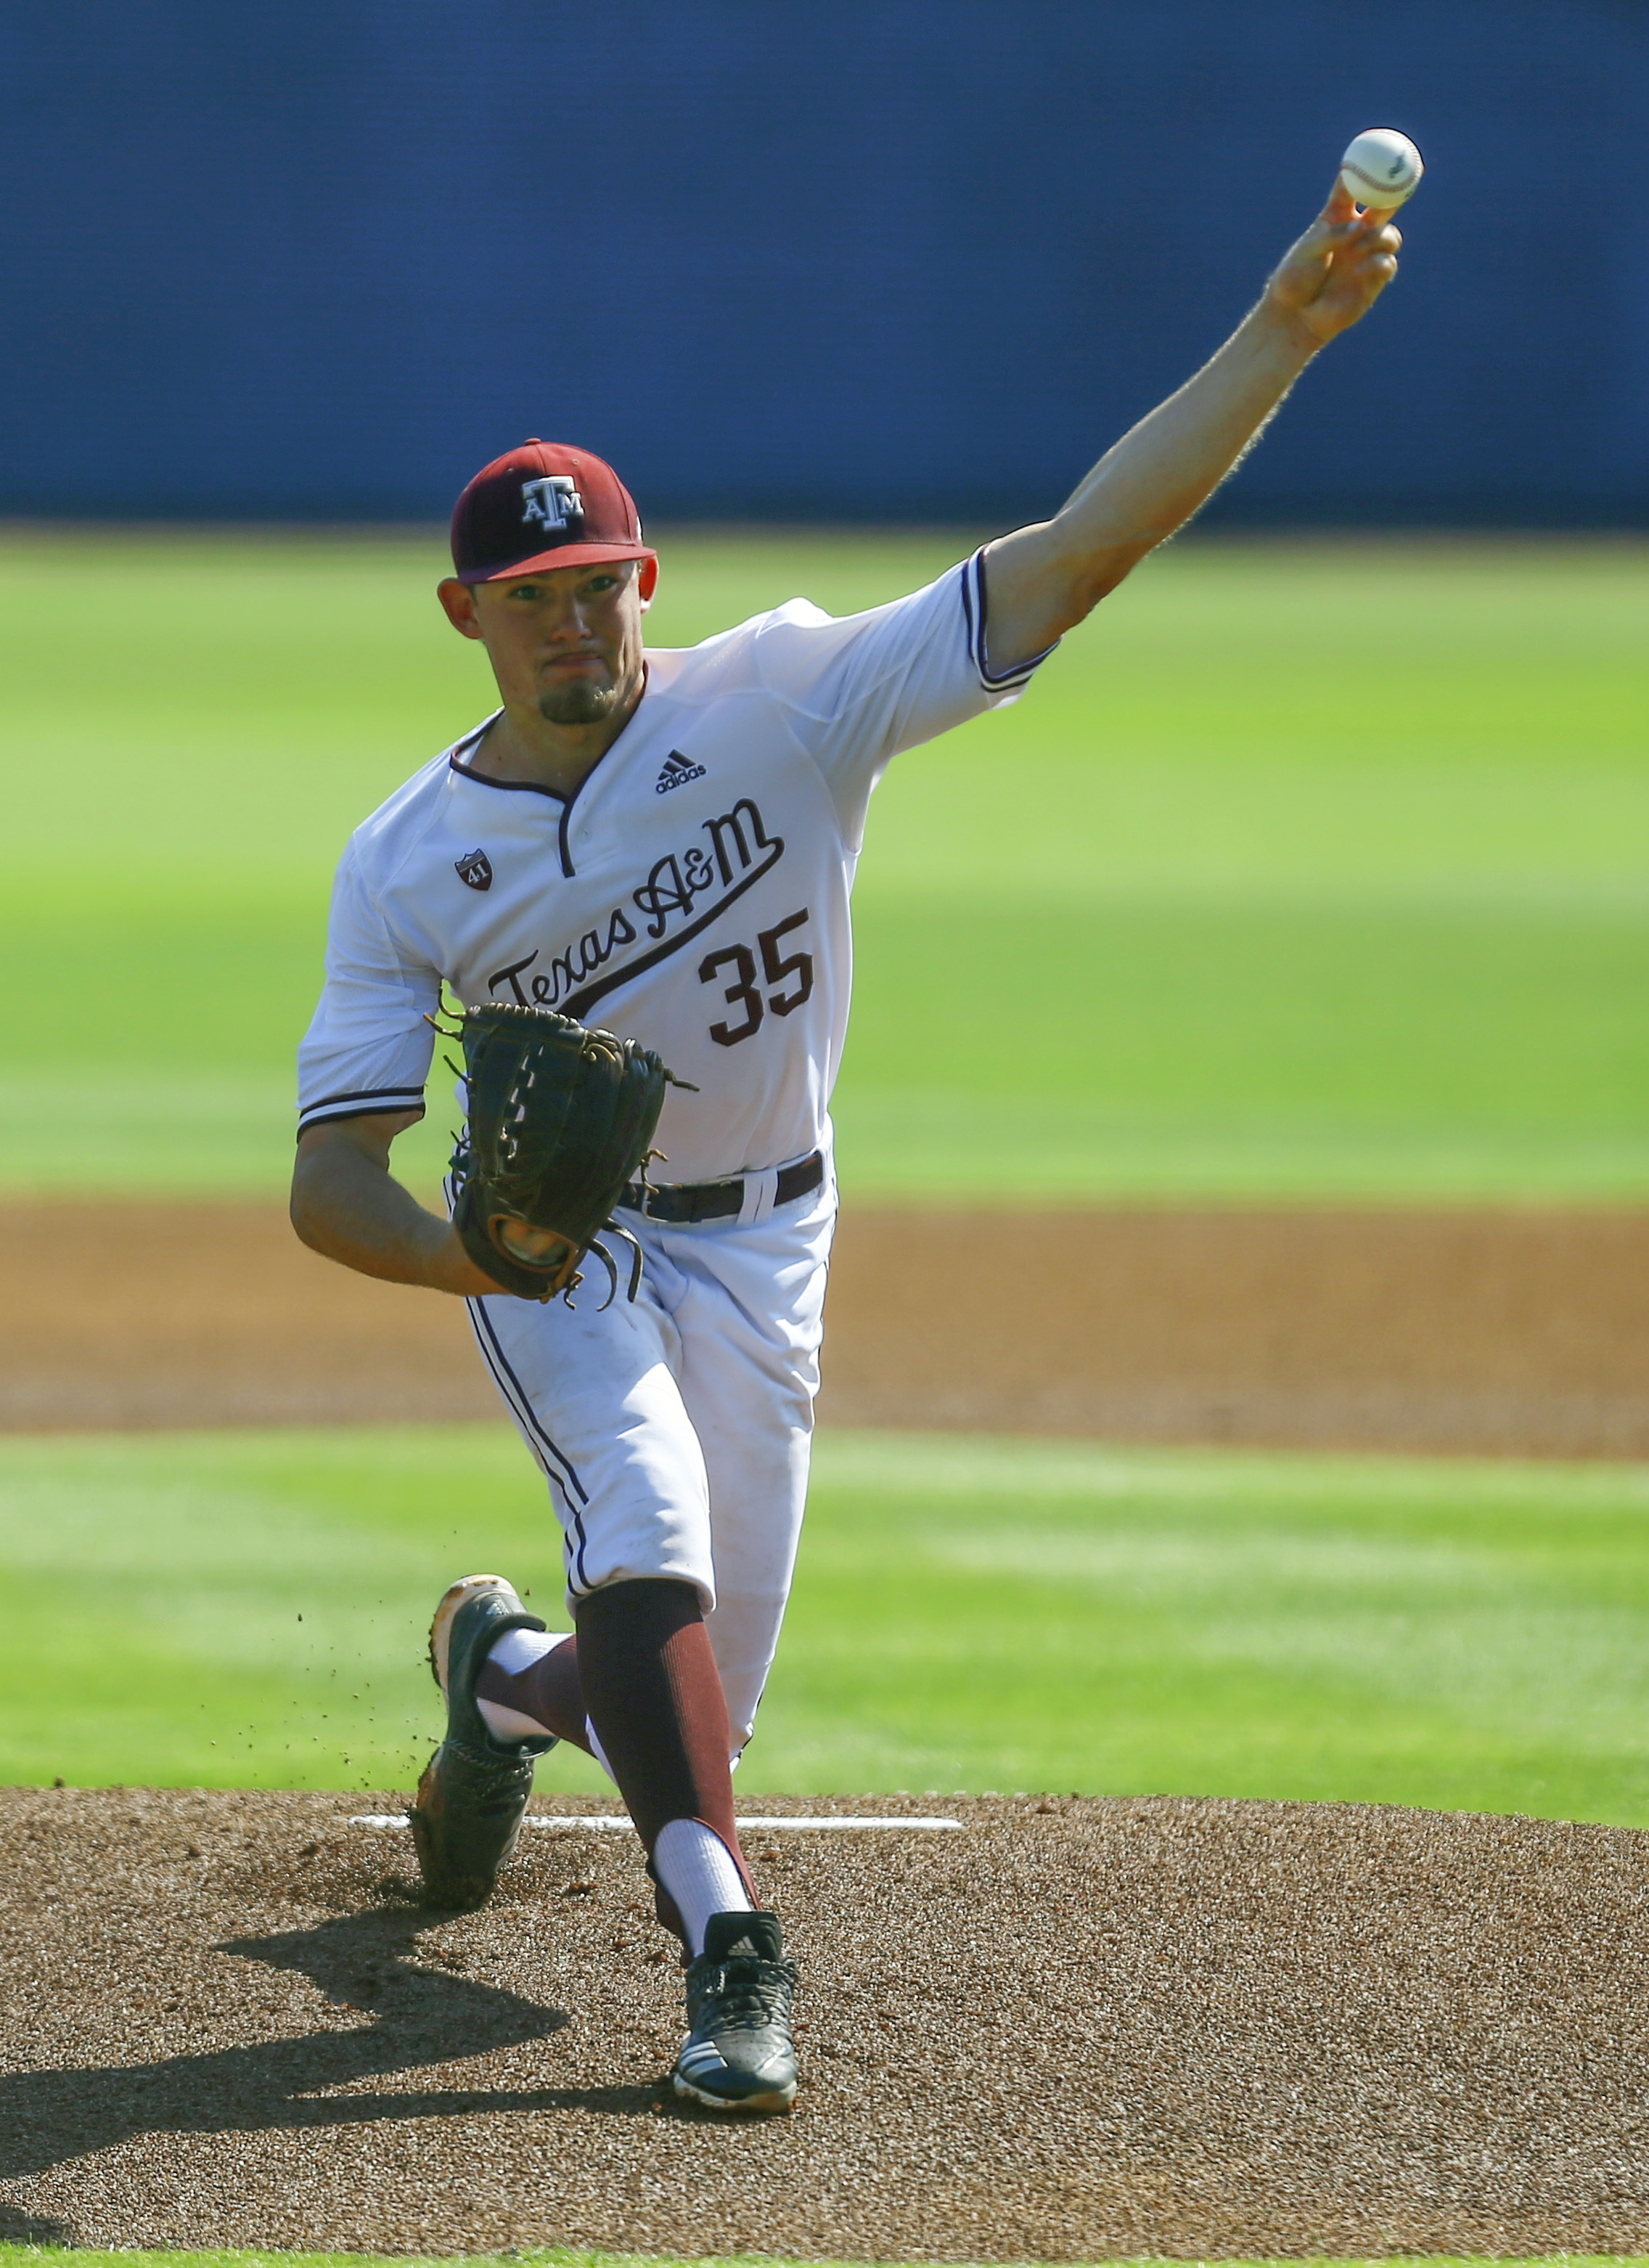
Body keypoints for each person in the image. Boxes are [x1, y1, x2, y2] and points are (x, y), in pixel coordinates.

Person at [290, 173, 1402, 2113]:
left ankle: (493, 1681)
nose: (574, 622)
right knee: (642, 1532)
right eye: (532, 599)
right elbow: (331, 1178)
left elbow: (1075, 557)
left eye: (600, 584)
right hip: (579, 1263)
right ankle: (732, 1951)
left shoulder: (788, 698)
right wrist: (487, 1258)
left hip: (774, 1242)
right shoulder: (405, 866)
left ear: (647, 581)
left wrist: (1286, 332)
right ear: (468, 616)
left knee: (683, 1674)